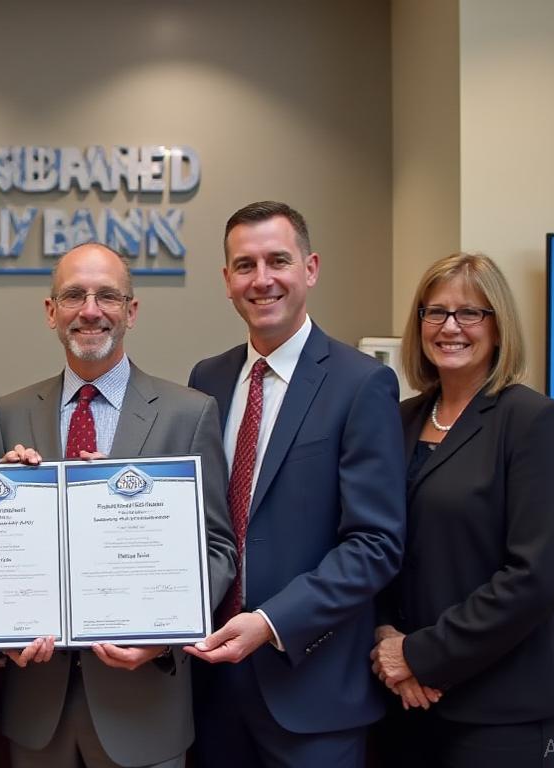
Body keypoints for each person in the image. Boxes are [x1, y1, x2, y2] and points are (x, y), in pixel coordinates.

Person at [0, 242, 236, 768]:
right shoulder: (11, 413)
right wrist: (0, 627)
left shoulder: (188, 414)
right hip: (38, 710)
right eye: (73, 295)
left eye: (107, 296)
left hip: (143, 706)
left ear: (132, 310)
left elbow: (218, 549)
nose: (90, 310)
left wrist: (165, 637)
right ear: (51, 311)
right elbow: (1, 554)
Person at [185, 201, 405, 767]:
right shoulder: (207, 379)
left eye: (277, 260)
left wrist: (271, 622)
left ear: (310, 268)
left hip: (312, 689)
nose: (262, 279)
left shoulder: (363, 384)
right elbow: (195, 512)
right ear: (227, 280)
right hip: (211, 687)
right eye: (245, 265)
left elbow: (375, 544)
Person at [370, 252, 554, 767]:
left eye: (470, 313)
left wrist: (421, 657)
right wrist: (385, 635)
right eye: (435, 312)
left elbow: (533, 578)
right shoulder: (397, 419)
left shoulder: (535, 421)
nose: (450, 327)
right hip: (399, 701)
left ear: (498, 324)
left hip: (499, 709)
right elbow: (371, 540)